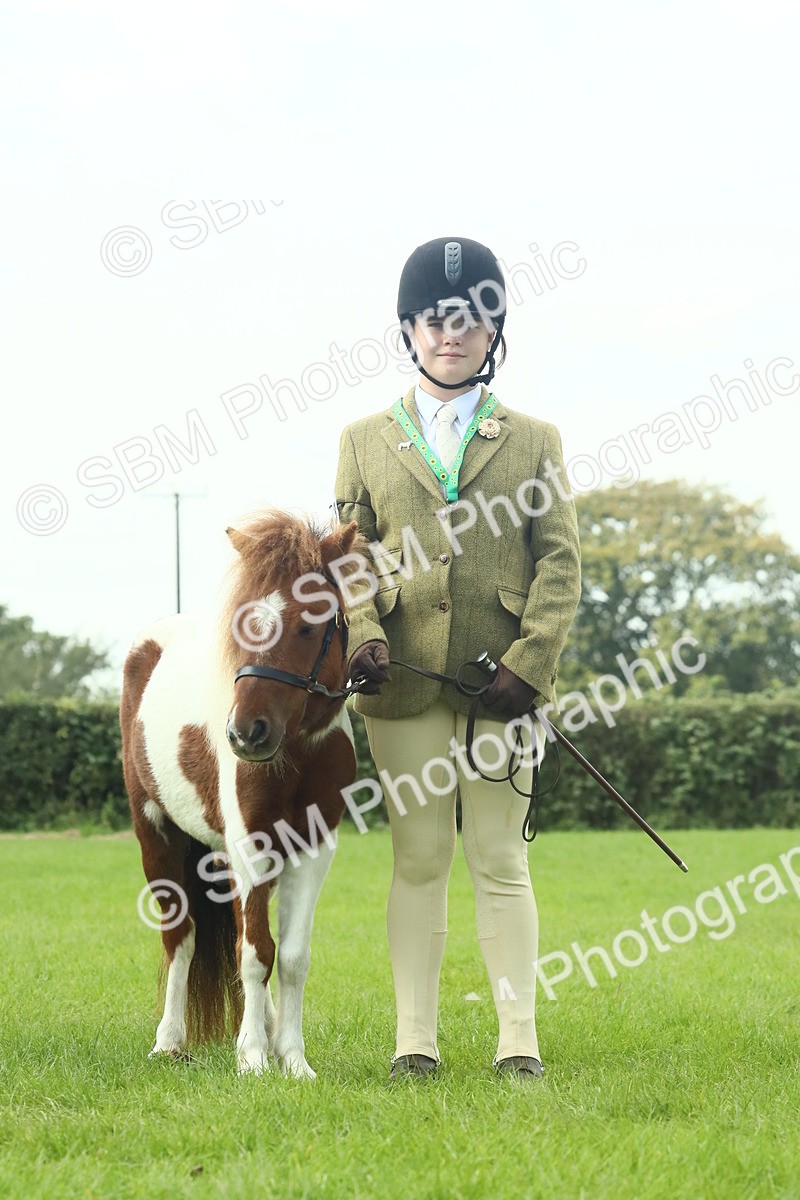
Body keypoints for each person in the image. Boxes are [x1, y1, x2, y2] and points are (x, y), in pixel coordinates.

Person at [334, 236, 581, 1081]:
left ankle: (519, 1040)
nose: (453, 334)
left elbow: (559, 561)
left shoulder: (536, 439)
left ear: (494, 332)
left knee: (502, 859)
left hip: (500, 685)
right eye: (436, 320)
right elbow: (349, 552)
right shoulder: (363, 439)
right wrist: (363, 630)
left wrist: (533, 662)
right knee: (420, 857)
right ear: (409, 329)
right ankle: (416, 1041)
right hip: (401, 681)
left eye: (472, 321)